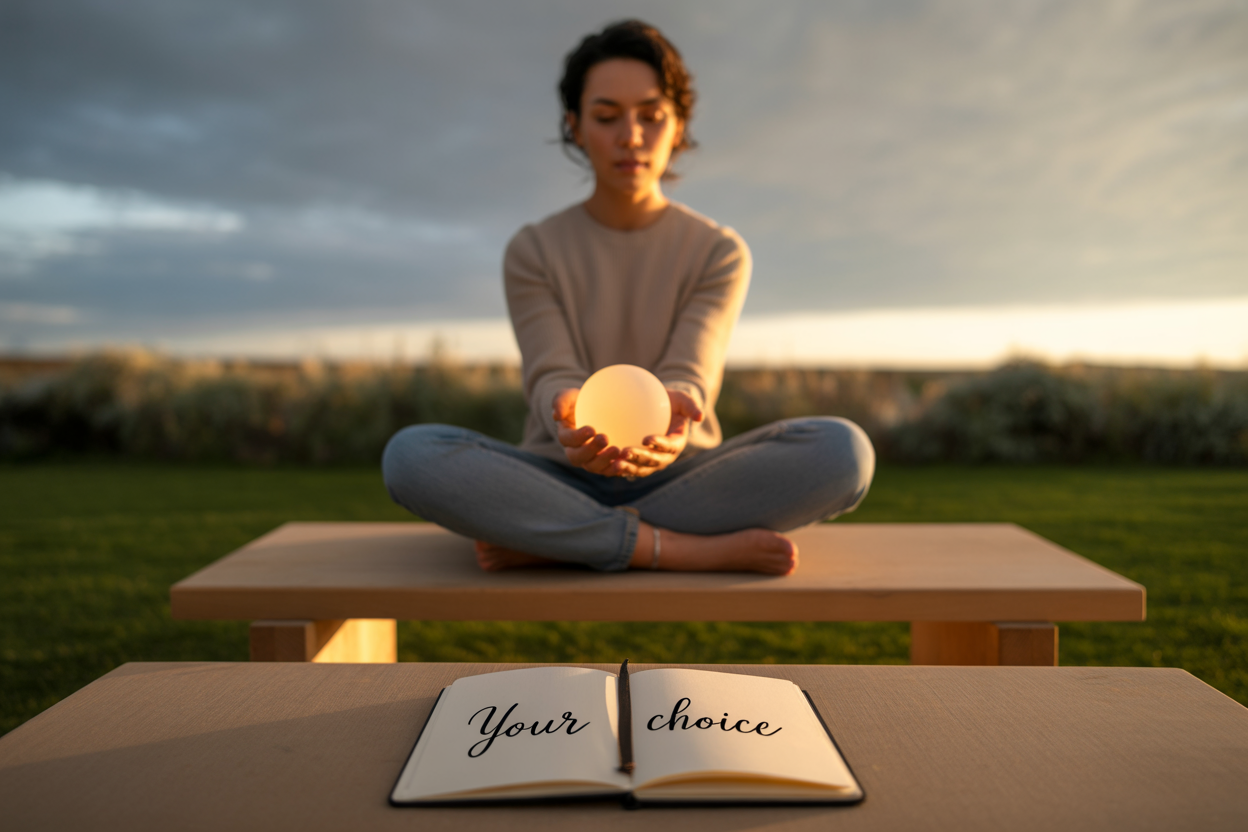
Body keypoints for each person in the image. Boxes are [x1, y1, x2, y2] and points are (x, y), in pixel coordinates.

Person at [383, 19, 874, 575]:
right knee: (411, 456)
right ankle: (680, 550)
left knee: (843, 451)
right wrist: (563, 408)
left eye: (651, 115)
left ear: (678, 125)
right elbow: (551, 371)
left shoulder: (719, 251)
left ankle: (553, 537)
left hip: (682, 473)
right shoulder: (534, 249)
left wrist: (677, 410)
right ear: (575, 126)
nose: (631, 136)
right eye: (607, 116)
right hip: (560, 469)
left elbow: (691, 369)